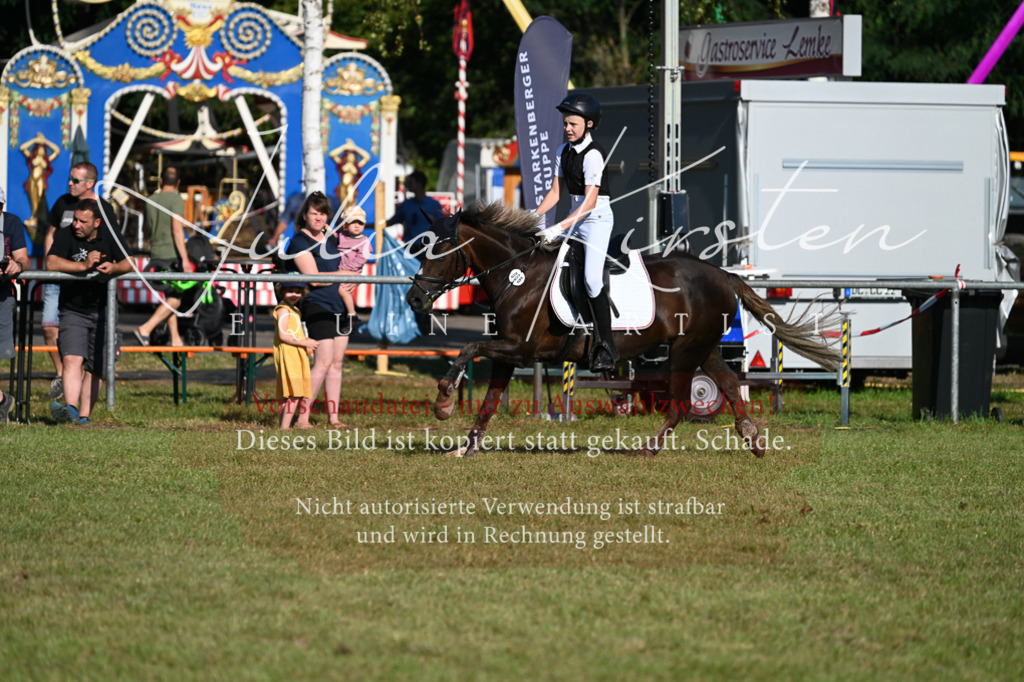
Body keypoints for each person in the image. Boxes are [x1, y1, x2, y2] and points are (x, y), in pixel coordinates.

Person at [535, 93, 617, 373]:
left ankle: (607, 346)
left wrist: (558, 227)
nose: (567, 128)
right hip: (575, 216)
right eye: (565, 123)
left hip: (596, 220)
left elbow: (590, 202)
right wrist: (532, 219)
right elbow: (556, 193)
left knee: (592, 280)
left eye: (573, 123)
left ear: (589, 124)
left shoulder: (594, 154)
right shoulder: (562, 152)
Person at [46, 199, 132, 425]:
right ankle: (71, 410)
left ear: (97, 222)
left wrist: (114, 268)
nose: (76, 224)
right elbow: (51, 262)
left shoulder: (110, 235)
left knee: (96, 367)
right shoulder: (66, 235)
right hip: (73, 310)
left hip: (104, 310)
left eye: (82, 221)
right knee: (72, 359)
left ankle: (84, 418)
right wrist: (83, 266)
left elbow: (129, 262)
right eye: (75, 219)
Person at [42, 162, 119, 400]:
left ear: (89, 184)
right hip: (60, 275)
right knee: (48, 327)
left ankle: (78, 399)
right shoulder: (62, 203)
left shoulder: (104, 209)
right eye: (70, 178)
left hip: (89, 288)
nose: (69, 183)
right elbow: (51, 235)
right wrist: (52, 267)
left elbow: (115, 247)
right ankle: (62, 374)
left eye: (75, 180)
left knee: (87, 351)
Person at [284, 191, 348, 428]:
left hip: (339, 305)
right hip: (317, 304)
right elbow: (313, 278)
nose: (318, 217)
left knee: (337, 363)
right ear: (305, 215)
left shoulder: (330, 238)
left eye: (322, 213)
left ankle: (334, 418)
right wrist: (344, 275)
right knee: (322, 362)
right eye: (314, 213)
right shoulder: (299, 242)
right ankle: (302, 418)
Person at [134, 167, 191, 347]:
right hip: (171, 255)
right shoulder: (176, 200)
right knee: (176, 299)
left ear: (160, 181)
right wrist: (185, 259)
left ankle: (175, 339)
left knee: (169, 297)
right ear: (179, 183)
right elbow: (177, 230)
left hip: (155, 254)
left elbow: (146, 229)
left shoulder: (151, 200)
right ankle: (146, 328)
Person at [0, 187, 31, 423]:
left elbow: (23, 258)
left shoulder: (12, 222)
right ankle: (2, 400)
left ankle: (2, 401)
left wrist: (16, 265)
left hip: (2, 293)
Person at [273, 284, 318, 430]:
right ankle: (285, 427)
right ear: (282, 292)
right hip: (289, 353)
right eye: (290, 291)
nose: (294, 294)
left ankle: (284, 424)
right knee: (295, 392)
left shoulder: (294, 310)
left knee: (290, 392)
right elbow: (283, 335)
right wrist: (305, 342)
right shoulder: (283, 310)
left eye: (298, 292)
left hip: (295, 353)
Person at [334, 205, 372, 335]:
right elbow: (332, 237)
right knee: (341, 292)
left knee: (343, 290)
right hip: (340, 270)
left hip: (352, 271)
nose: (357, 226)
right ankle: (345, 316)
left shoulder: (364, 240)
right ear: (345, 225)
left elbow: (363, 257)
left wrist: (348, 269)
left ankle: (352, 315)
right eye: (352, 222)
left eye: (360, 223)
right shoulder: (342, 235)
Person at [386, 170, 444, 254]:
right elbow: (392, 221)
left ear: (419, 184)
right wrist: (368, 225)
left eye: (410, 182)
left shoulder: (434, 205)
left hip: (429, 248)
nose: (407, 185)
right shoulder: (406, 204)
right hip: (410, 248)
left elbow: (442, 225)